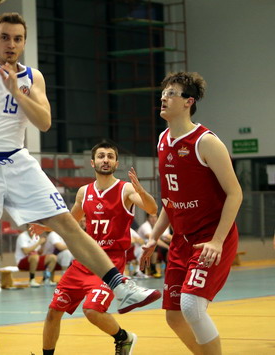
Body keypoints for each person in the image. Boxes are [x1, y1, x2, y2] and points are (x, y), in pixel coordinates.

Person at [0, 0, 161, 354]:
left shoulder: (33, 77)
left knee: (67, 223)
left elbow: (44, 122)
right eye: (5, 37)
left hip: (17, 159)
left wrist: (17, 92)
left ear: (24, 42)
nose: (11, 43)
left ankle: (120, 286)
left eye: (18, 38)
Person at [141, 72, 243, 355]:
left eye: (172, 93)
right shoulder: (163, 140)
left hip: (211, 238)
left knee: (192, 306)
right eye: (163, 93)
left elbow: (235, 193)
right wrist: (154, 237)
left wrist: (218, 241)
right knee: (174, 316)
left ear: (189, 101)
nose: (164, 98)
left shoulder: (205, 142)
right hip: (181, 240)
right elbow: (170, 201)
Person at [43, 141, 158, 355]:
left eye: (110, 156)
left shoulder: (125, 189)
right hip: (85, 260)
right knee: (53, 311)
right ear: (92, 162)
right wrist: (44, 226)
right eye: (101, 156)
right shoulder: (83, 192)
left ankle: (124, 338)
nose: (105, 160)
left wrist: (142, 191)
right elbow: (70, 221)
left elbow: (152, 208)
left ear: (116, 163)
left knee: (92, 310)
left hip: (110, 262)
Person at [138, 213, 171, 278]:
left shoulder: (161, 225)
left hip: (151, 247)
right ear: (147, 218)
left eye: (155, 217)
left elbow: (168, 237)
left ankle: (168, 269)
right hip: (140, 247)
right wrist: (168, 247)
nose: (153, 219)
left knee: (167, 248)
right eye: (151, 217)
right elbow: (153, 240)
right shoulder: (145, 226)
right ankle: (153, 269)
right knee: (154, 246)